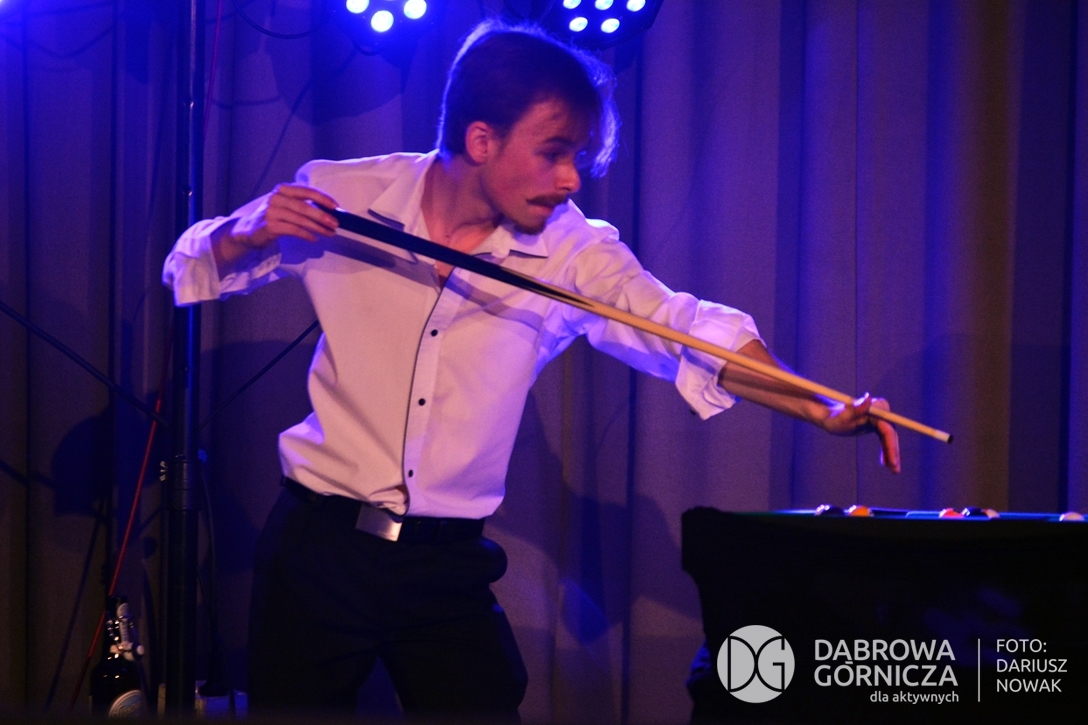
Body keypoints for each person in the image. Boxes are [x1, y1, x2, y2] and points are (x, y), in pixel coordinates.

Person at [163, 20, 899, 719]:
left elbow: (683, 327)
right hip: (319, 548)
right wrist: (243, 231)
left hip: (446, 566)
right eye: (554, 152)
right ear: (481, 139)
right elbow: (188, 267)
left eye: (578, 156)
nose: (571, 178)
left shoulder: (571, 250)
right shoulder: (349, 195)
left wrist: (819, 406)